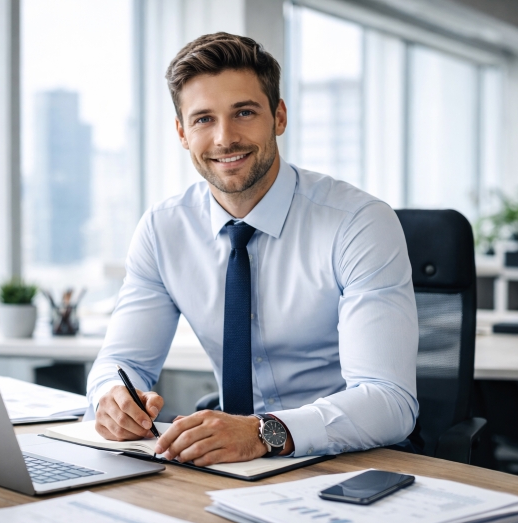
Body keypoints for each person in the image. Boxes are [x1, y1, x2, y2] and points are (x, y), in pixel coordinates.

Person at [86, 32, 418, 466]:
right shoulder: (163, 229)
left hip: (351, 458)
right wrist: (111, 398)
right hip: (231, 463)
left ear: (279, 117)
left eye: (244, 112)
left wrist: (264, 432)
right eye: (204, 119)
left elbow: (390, 401)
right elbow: (121, 361)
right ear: (182, 132)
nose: (226, 138)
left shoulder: (357, 223)